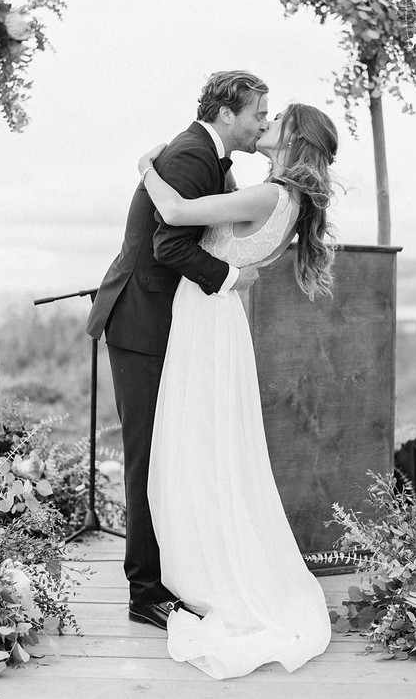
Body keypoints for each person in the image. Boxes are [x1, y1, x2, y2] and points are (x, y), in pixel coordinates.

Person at [139, 102, 338, 679]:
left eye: (278, 119)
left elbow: (175, 209)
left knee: (198, 441)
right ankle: (210, 558)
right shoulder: (289, 202)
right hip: (218, 317)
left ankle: (208, 572)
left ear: (291, 138)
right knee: (211, 443)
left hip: (207, 317)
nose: (267, 121)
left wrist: (147, 165)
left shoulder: (270, 196)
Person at [86, 70, 269, 630]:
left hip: (165, 326)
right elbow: (168, 244)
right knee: (145, 457)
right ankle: (146, 592)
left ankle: (174, 573)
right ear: (226, 113)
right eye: (258, 113)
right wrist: (231, 277)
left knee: (170, 452)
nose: (264, 123)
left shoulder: (208, 156)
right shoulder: (191, 156)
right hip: (141, 325)